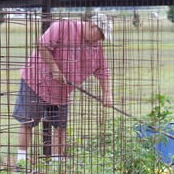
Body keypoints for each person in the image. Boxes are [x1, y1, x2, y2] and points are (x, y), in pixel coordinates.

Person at [13, 14, 113, 165]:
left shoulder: (95, 46)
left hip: (61, 90)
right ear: (93, 26)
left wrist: (107, 93)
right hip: (36, 80)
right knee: (28, 121)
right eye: (100, 35)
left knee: (60, 126)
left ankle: (56, 164)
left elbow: (102, 70)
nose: (100, 40)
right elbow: (42, 45)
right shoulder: (63, 27)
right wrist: (54, 68)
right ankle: (21, 161)